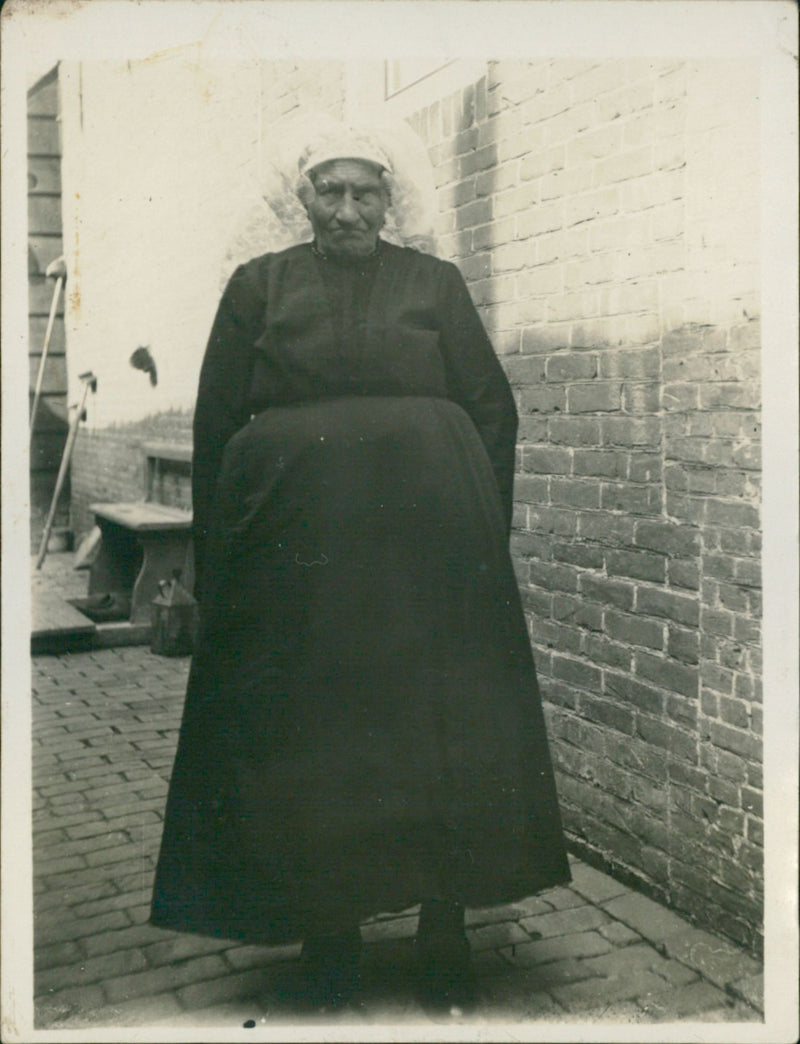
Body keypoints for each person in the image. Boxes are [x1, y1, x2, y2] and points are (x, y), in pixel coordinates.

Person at [150, 123, 570, 1015]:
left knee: (441, 731)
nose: (346, 209)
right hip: (294, 567)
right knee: (317, 736)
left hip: (429, 563)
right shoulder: (257, 288)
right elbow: (216, 424)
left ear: (391, 200)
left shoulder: (435, 285)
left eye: (364, 193)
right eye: (329, 192)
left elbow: (491, 408)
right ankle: (328, 931)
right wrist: (217, 560)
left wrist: (478, 530)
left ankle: (444, 930)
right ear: (301, 198)